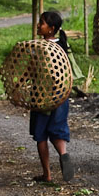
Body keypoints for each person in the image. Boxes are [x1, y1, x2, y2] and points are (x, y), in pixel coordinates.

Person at [30, 11, 75, 183]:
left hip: (41, 97)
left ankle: (47, 174)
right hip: (61, 96)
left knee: (40, 134)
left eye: (42, 23)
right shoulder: (63, 46)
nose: (38, 25)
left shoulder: (40, 48)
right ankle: (63, 154)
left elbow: (32, 70)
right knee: (57, 129)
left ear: (51, 29)